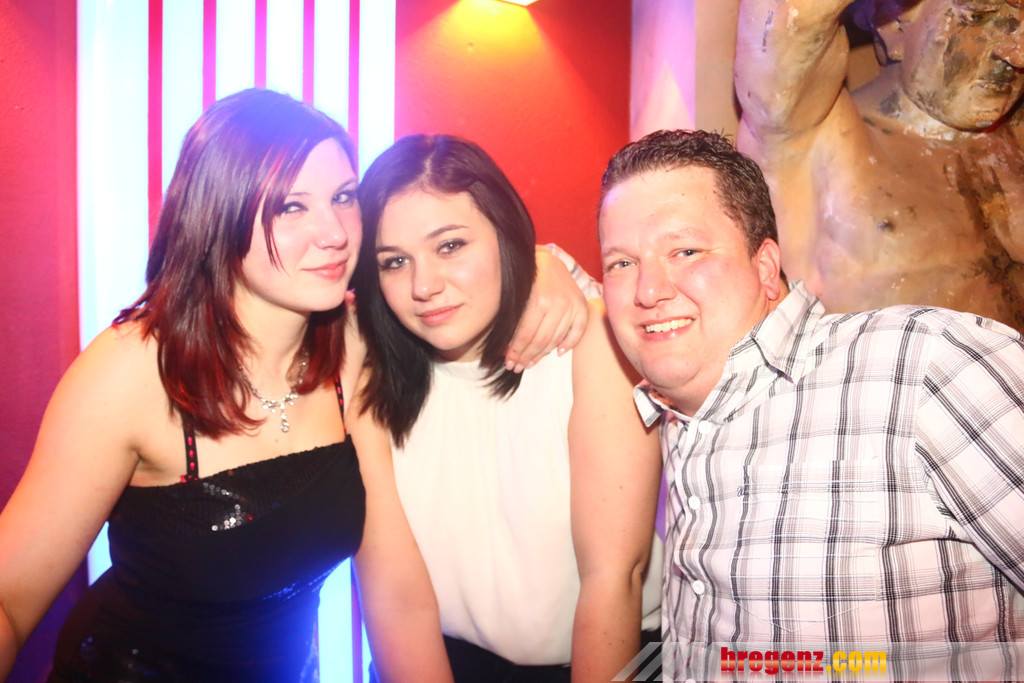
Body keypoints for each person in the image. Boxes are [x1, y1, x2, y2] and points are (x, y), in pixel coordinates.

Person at [597, 129, 1024, 680]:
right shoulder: (680, 415)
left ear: (764, 267)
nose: (648, 290)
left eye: (685, 251)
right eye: (621, 263)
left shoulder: (924, 364)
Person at [350, 134, 664, 683]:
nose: (424, 285)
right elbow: (393, 595)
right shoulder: (368, 373)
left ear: (504, 232)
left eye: (450, 246)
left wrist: (546, 262)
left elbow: (616, 577)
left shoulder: (592, 342)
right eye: (395, 261)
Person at [734, 0, 1024, 331]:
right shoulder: (814, 134)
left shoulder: (1017, 140)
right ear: (893, 25)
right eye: (978, 17)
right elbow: (787, 16)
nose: (1017, 53)